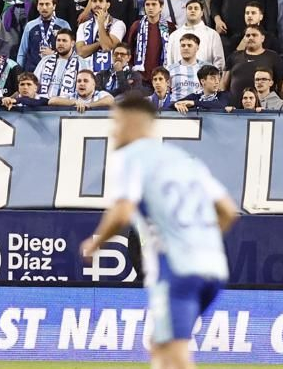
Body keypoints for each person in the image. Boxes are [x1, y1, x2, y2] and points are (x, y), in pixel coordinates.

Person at [79, 94, 237, 369]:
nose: (112, 130)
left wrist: (94, 244)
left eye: (115, 122)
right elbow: (227, 211)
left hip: (176, 267)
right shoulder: (185, 160)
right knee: (160, 344)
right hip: (213, 266)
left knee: (176, 353)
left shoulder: (130, 156)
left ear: (131, 123)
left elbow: (123, 210)